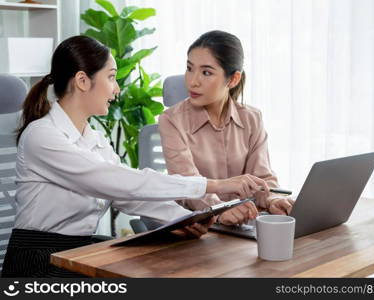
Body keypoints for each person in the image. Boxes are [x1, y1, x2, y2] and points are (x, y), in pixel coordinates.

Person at [1, 35, 269, 278]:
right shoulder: (41, 136)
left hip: (78, 251)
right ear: (83, 81)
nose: (116, 89)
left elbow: (128, 196)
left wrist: (183, 220)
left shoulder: (94, 140)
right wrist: (215, 185)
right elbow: (119, 181)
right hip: (36, 261)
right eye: (111, 77)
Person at [159, 30, 294, 226]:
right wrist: (222, 210)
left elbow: (262, 178)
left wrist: (274, 199)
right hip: (196, 228)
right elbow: (188, 185)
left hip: (243, 226)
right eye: (189, 68)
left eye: (206, 72)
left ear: (233, 79)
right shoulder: (171, 120)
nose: (192, 81)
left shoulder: (251, 118)